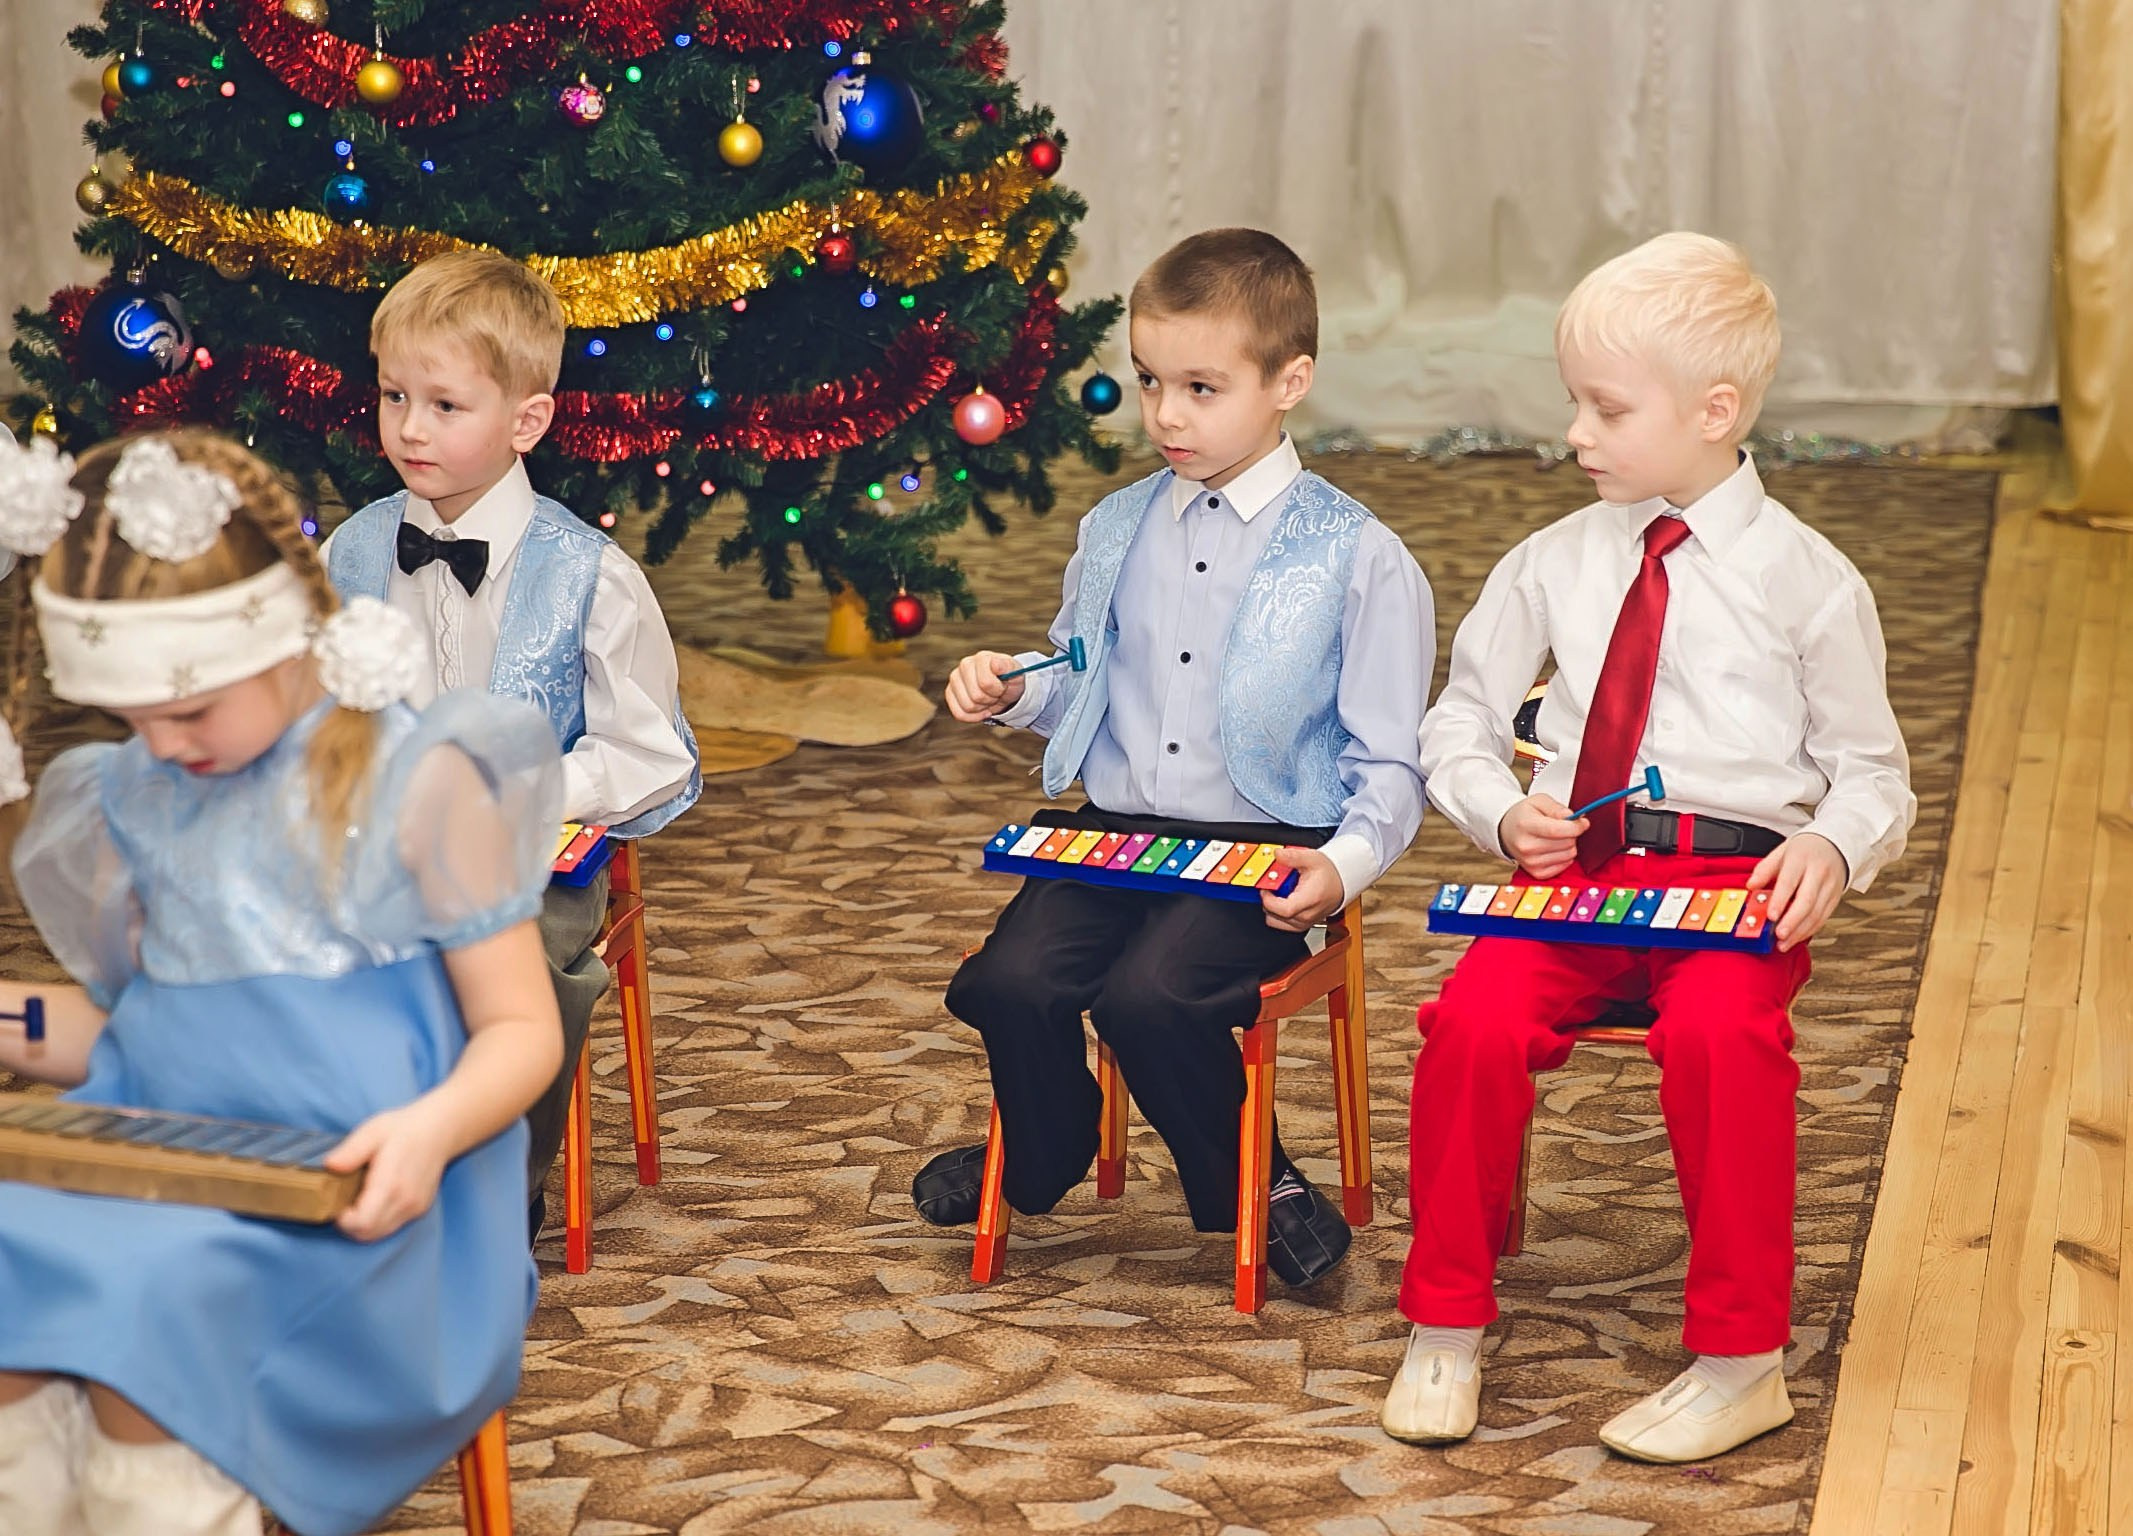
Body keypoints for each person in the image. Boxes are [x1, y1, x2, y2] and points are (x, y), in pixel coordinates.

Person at [1381, 233, 1915, 1461]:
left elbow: (1874, 772)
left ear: (1714, 412)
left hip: (1733, 885)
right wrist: (1497, 809)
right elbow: (1459, 719)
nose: (1576, 432)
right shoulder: (1554, 561)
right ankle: (1444, 1323)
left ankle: (1741, 1362)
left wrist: (1834, 850)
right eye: (1575, 400)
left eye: (1608, 409)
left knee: (1723, 1041)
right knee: (1470, 1026)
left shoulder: (1810, 582)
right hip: (1574, 877)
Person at [0, 427, 564, 1534]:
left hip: (368, 1208)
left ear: (288, 636)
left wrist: (429, 1133)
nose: (161, 747)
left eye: (189, 711)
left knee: (146, 1318)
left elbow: (521, 1031)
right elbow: (145, 1029)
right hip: (174, 1155)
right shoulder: (139, 790)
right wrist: (8, 1018)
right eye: (132, 720)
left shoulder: (420, 781)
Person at [913, 228, 1432, 1287]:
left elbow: (1390, 761)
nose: (1166, 415)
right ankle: (1046, 1146)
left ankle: (1259, 1184)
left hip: (1262, 846)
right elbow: (1078, 674)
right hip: (1115, 838)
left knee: (1151, 997)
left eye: (1202, 387)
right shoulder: (1116, 526)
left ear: (1289, 383)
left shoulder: (1359, 556)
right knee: (1009, 980)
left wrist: (1343, 867)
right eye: (1149, 381)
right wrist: (1017, 689)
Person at [324, 250, 701, 1237]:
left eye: (445, 405)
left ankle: (495, 1184)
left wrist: (515, 791)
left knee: (510, 974)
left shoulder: (590, 575)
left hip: (531, 863)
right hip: (375, 842)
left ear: (526, 421)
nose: (409, 428)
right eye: (394, 396)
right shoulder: (352, 552)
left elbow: (651, 755)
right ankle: (333, 1164)